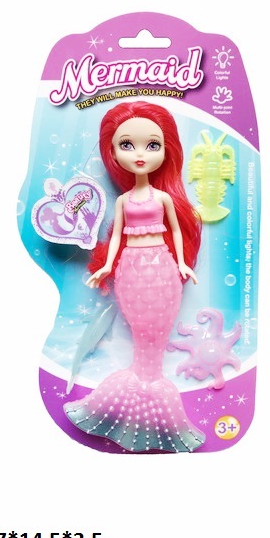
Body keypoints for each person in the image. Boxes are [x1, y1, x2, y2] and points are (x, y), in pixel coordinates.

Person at [64, 101, 205, 452]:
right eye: (127, 144)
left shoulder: (164, 198)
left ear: (167, 149)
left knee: (155, 335)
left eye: (152, 145)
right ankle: (139, 394)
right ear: (112, 152)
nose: (140, 154)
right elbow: (115, 237)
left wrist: (183, 263)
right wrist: (106, 266)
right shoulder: (123, 201)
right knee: (141, 332)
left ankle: (150, 391)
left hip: (162, 268)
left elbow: (176, 231)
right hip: (130, 269)